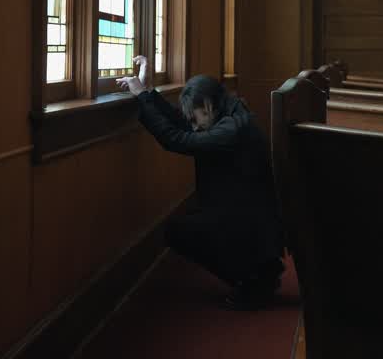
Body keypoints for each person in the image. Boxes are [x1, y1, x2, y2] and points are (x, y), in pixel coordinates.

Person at [117, 56, 285, 310]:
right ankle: (263, 269)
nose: (194, 127)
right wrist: (148, 92)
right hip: (249, 218)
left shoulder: (232, 129)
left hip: (247, 223)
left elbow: (178, 139)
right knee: (191, 223)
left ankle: (254, 280)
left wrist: (141, 96)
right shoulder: (229, 111)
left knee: (177, 232)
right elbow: (182, 122)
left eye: (196, 119)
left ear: (207, 105)